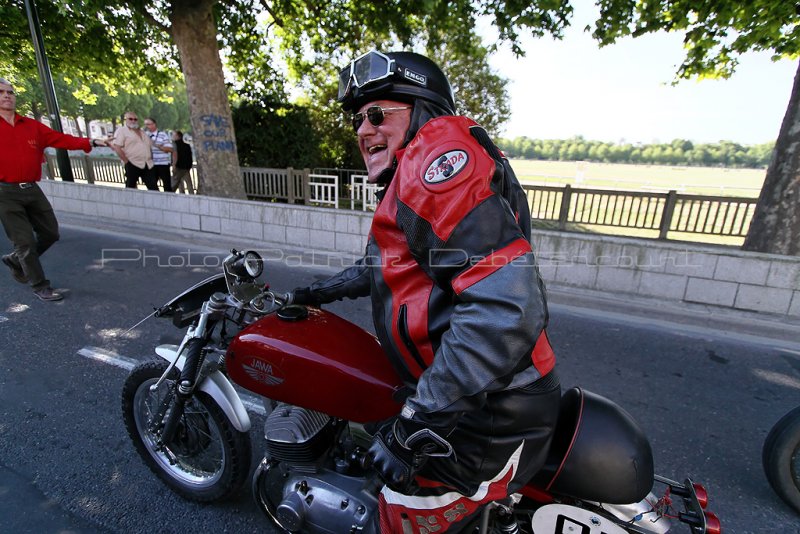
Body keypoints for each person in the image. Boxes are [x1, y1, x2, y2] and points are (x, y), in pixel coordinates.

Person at [289, 51, 560, 532]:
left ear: (420, 110)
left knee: (393, 521)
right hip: (471, 395)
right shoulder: (411, 178)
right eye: (358, 118)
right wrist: (314, 293)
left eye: (377, 114)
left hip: (484, 415)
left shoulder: (434, 160)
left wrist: (418, 422)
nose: (363, 130)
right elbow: (382, 266)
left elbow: (509, 307)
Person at [0, 77, 107, 301]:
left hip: (31, 188)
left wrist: (93, 142)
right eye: (1, 92)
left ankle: (15, 260)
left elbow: (61, 139)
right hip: (4, 192)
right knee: (25, 242)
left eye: (10, 91)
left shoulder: (30, 125)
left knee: (50, 233)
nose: (7, 95)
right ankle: (40, 285)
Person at [109, 111, 157, 190]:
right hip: (132, 163)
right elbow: (117, 147)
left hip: (147, 164)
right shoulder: (122, 131)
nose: (133, 121)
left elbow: (149, 145)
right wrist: (127, 162)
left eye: (135, 119)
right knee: (130, 188)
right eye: (130, 119)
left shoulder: (142, 132)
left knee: (153, 188)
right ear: (126, 120)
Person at [143, 117, 173, 192]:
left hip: (163, 164)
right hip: (151, 164)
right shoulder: (145, 135)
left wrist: (158, 146)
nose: (147, 126)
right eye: (145, 124)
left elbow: (170, 149)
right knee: (151, 184)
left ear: (154, 124)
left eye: (148, 124)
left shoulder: (163, 135)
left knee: (166, 185)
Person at [170, 130, 194, 194]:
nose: (172, 136)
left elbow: (174, 156)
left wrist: (173, 165)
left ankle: (180, 193)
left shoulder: (174, 145)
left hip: (178, 167)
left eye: (173, 135)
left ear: (177, 136)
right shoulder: (187, 146)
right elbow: (190, 156)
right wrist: (189, 166)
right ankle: (192, 195)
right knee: (189, 183)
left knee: (177, 182)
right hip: (186, 167)